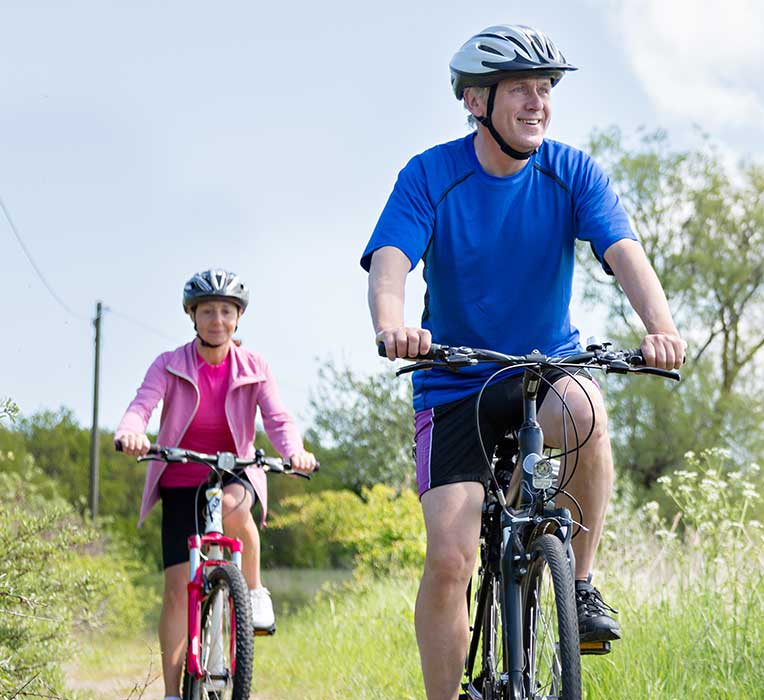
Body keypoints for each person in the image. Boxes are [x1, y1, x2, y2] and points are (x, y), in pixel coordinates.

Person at [360, 24, 686, 700]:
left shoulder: (573, 172)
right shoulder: (431, 175)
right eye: (523, 89)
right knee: (450, 558)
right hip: (455, 382)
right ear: (478, 101)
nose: (539, 102)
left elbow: (624, 251)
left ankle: (583, 584)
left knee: (586, 407)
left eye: (547, 89)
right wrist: (393, 326)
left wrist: (661, 328)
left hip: (545, 368)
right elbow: (390, 260)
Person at [114, 268, 319, 699]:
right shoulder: (169, 363)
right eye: (208, 311)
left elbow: (278, 419)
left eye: (226, 310)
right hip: (180, 473)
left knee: (234, 507)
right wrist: (132, 431)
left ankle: (254, 592)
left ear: (238, 317)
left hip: (234, 468)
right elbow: (142, 404)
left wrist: (294, 450)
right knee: (175, 591)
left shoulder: (254, 366)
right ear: (193, 316)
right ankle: (173, 692)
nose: (217, 319)